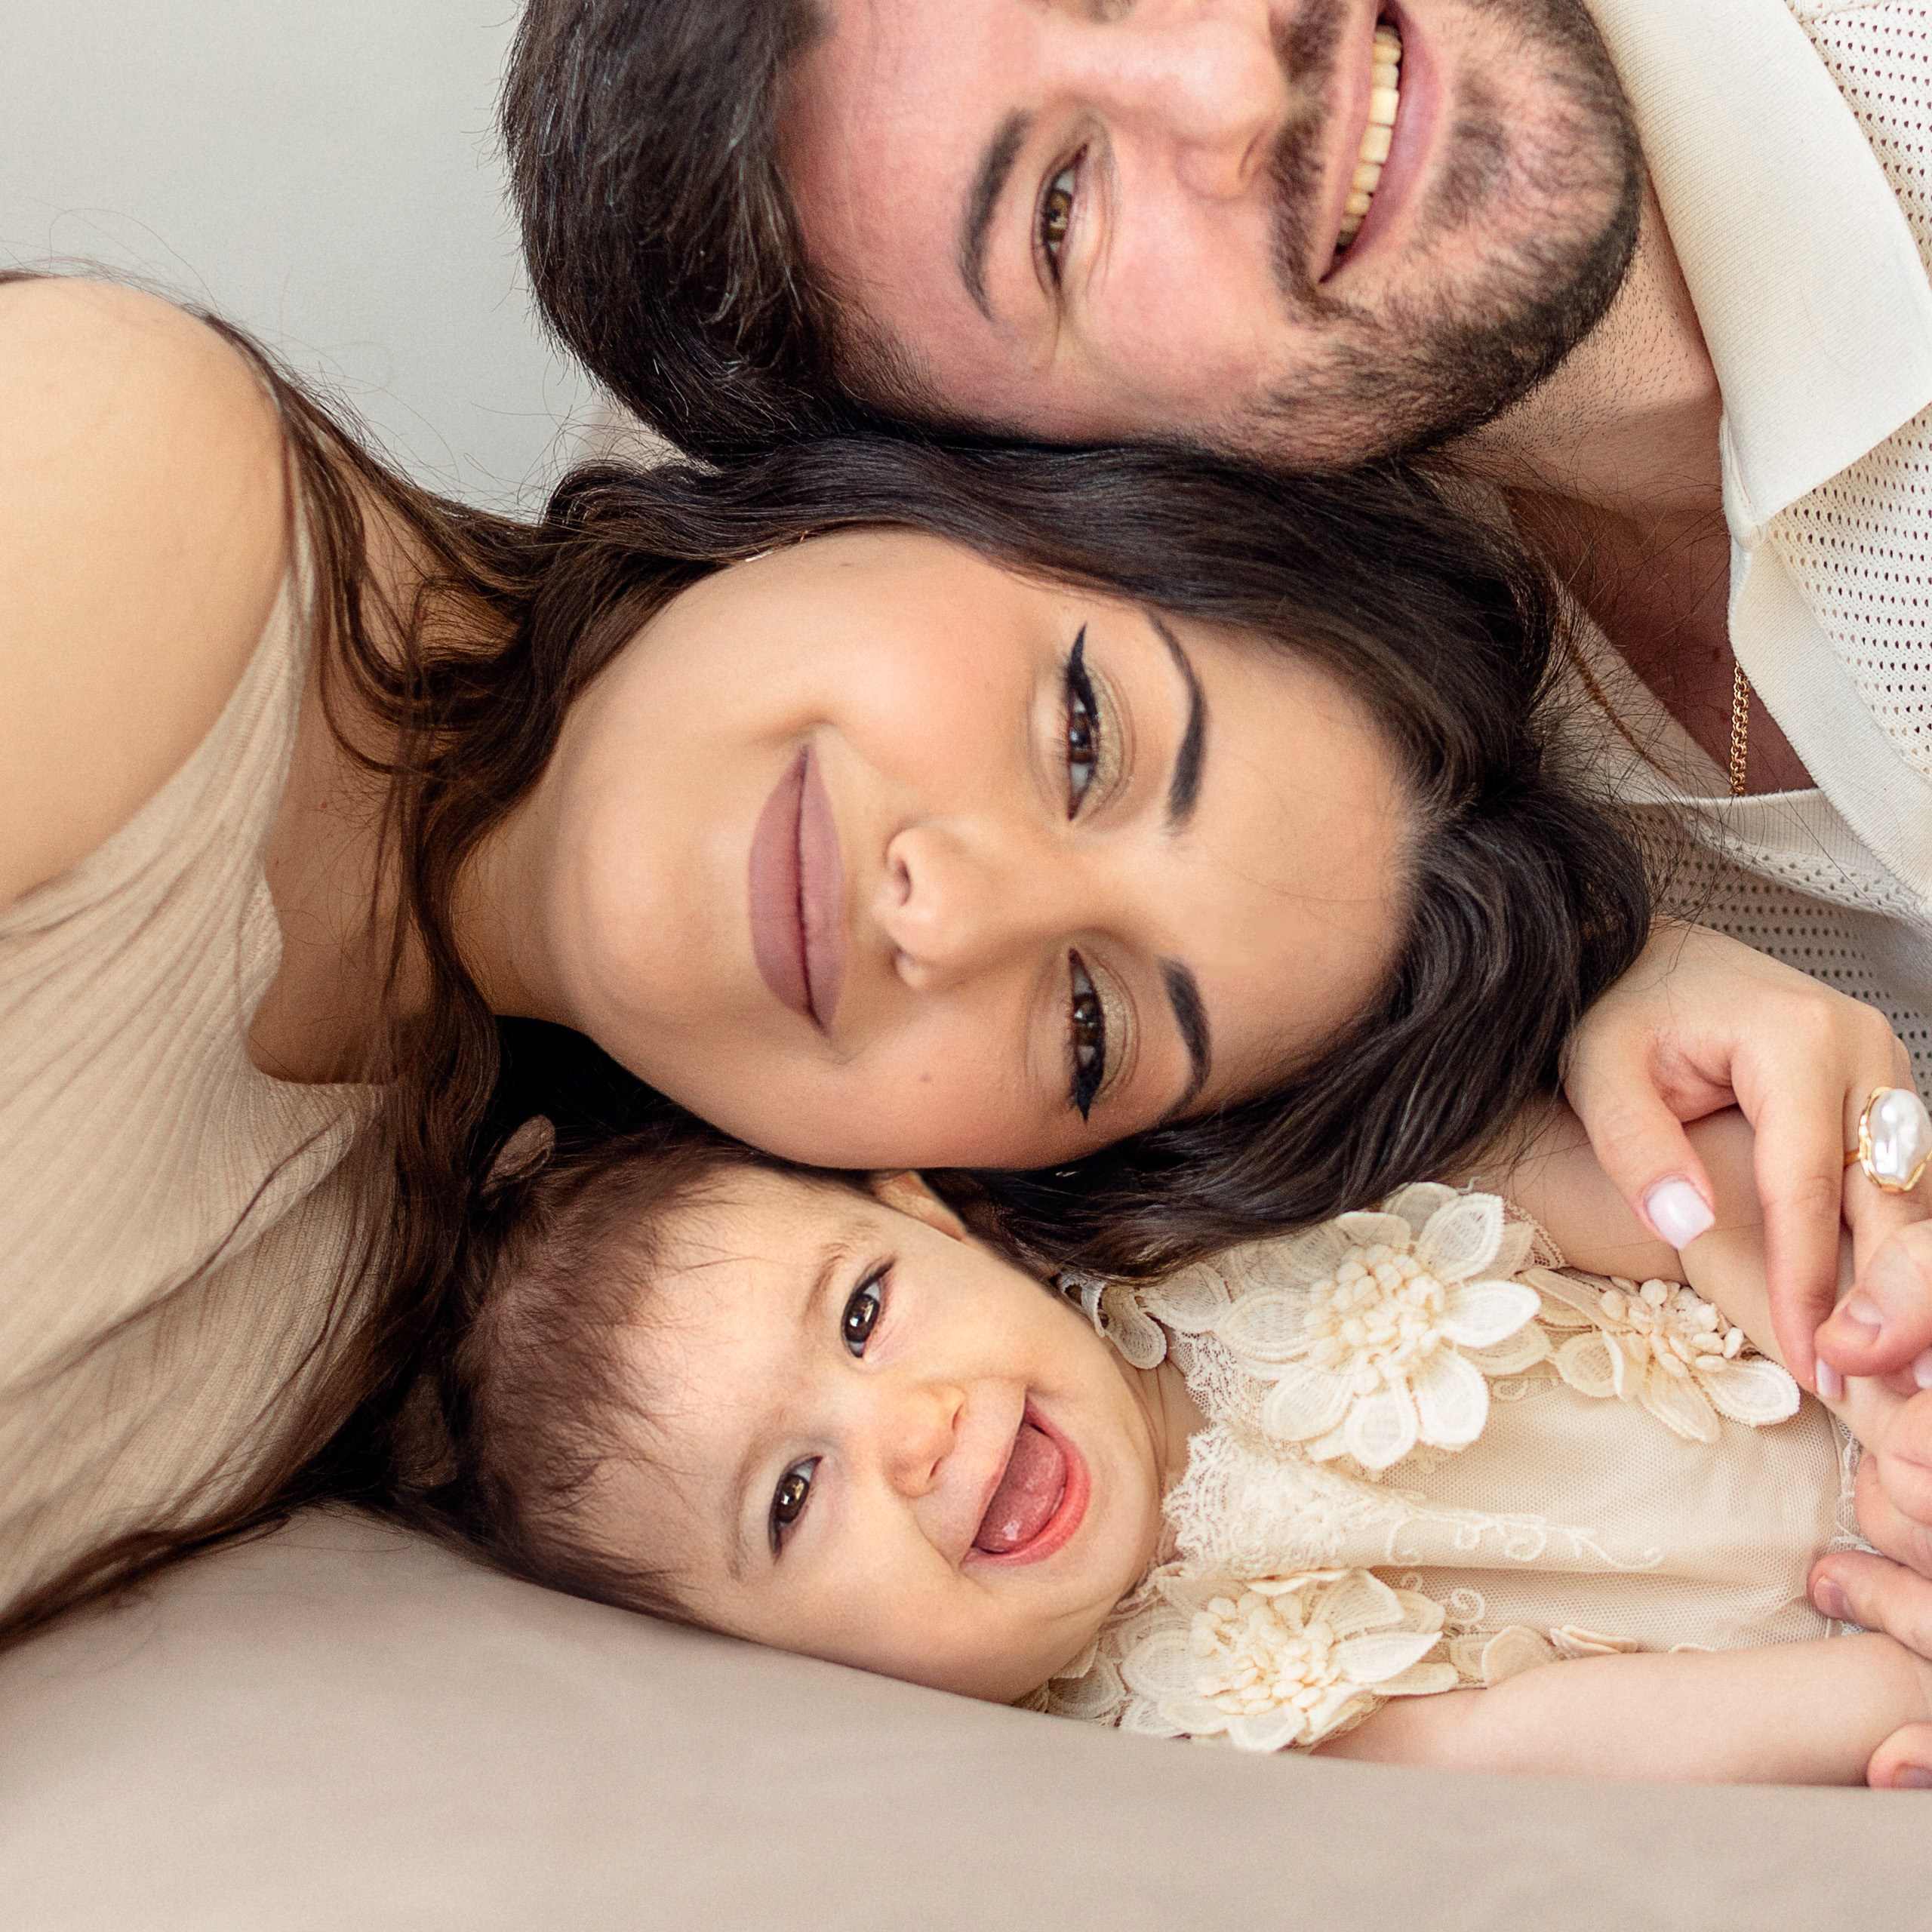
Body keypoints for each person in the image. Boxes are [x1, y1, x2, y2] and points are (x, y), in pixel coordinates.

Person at [4, 270, 1751, 1645]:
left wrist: (1640, 991)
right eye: (1081, 734)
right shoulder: (129, 485)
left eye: (1086, 1018)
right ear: (934, 482)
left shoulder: (454, 1285)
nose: (948, 909)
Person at [500, 0, 1932, 1362]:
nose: (1240, 88)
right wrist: (1589, 981)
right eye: (1061, 213)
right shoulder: (1361, 766)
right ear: (984, 470)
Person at [395, 1093, 1932, 1787]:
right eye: (795, 1492)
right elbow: (1551, 1755)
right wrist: (1884, 1684)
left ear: (922, 1206)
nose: (915, 1435)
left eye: (863, 1312)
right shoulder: (1182, 1729)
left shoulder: (1238, 1215)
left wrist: (1873, 1364)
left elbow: (1640, 1187)